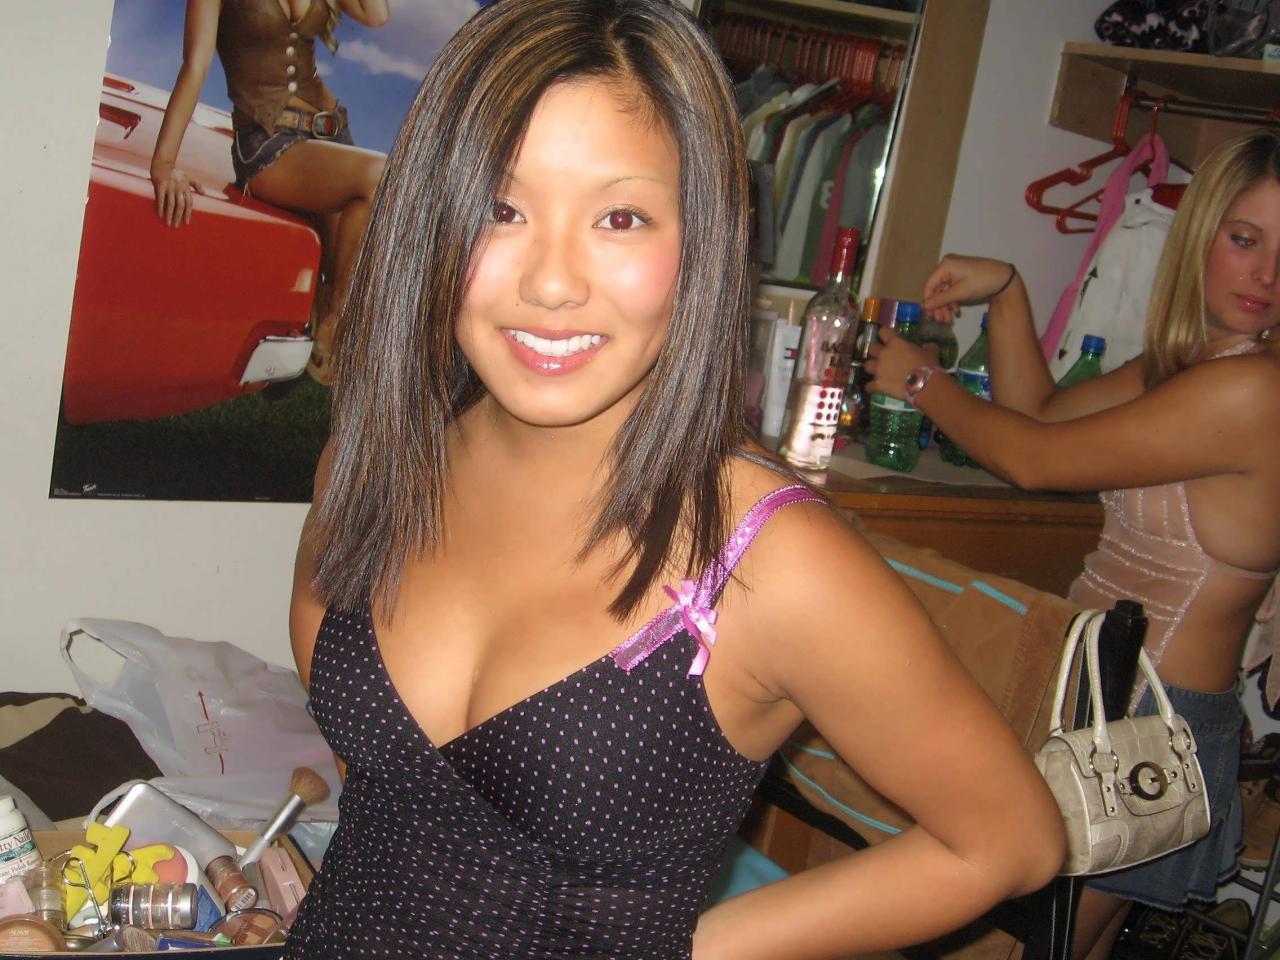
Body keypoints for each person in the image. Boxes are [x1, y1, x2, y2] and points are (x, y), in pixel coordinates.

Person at [286, 1, 1064, 957]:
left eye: (620, 218)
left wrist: (689, 951)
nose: (553, 281)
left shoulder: (772, 561)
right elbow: (385, 793)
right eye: (500, 208)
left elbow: (1008, 841)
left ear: (703, 241)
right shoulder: (372, 460)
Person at [866, 128, 1280, 960]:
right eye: (1246, 240)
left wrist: (917, 379)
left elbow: (1033, 460)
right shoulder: (1192, 367)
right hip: (1100, 698)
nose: (1268, 275)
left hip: (1150, 722)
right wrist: (1008, 293)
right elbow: (1043, 415)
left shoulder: (1252, 389)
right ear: (1201, 235)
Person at [150, 0, 390, 383]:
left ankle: (328, 318)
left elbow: (375, 15)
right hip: (269, 144)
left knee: (340, 272)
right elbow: (195, 66)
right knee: (381, 177)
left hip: (331, 135)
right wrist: (163, 164)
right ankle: (337, 328)